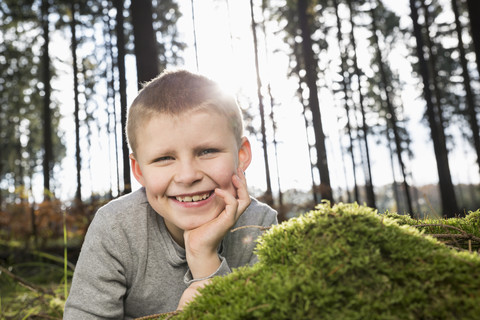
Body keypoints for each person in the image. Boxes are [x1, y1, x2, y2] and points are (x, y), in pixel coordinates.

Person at [64, 69, 278, 319]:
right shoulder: (117, 228)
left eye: (207, 151)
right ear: (139, 170)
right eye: (164, 158)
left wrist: (205, 262)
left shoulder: (259, 226)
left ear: (241, 155)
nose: (187, 176)